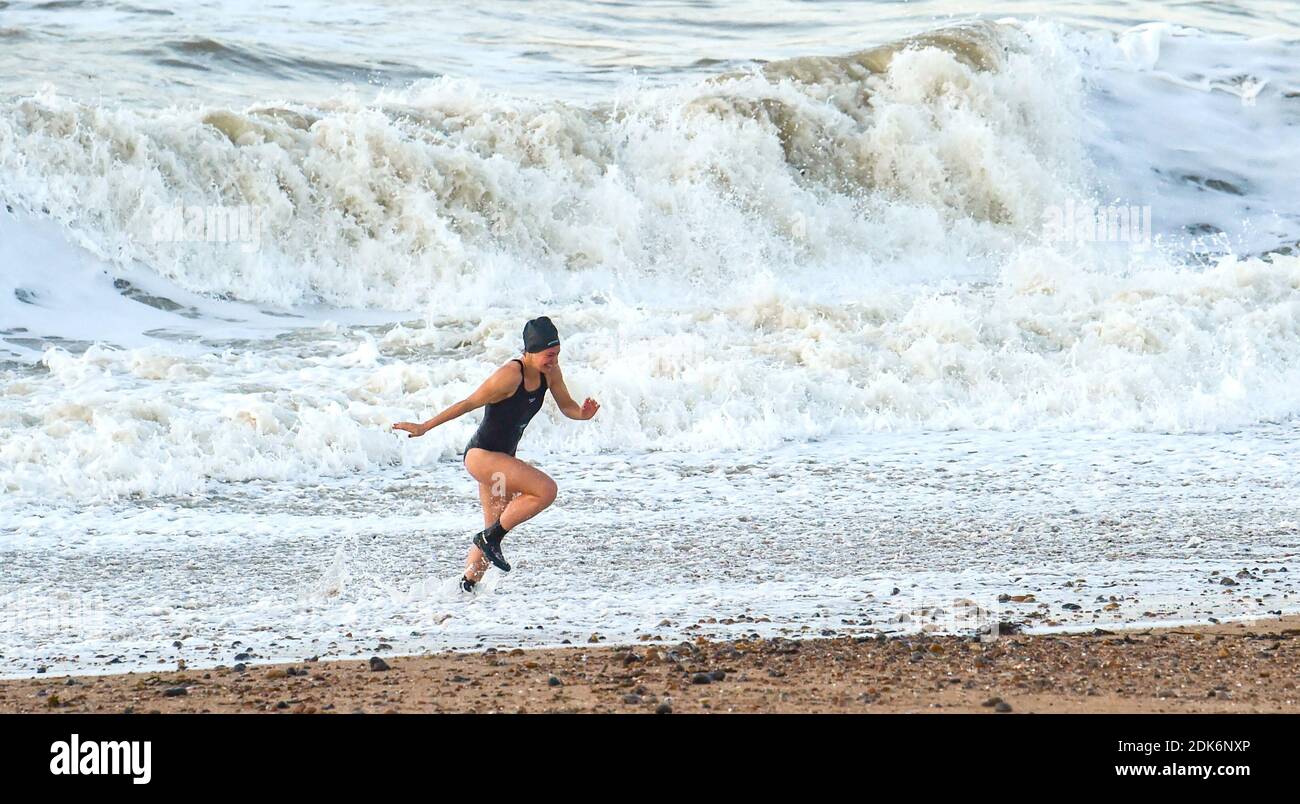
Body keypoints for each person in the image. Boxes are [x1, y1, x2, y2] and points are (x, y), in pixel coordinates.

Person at [392, 316, 599, 592]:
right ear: (531, 351)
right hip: (483, 457)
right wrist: (424, 427)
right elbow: (468, 403)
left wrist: (582, 415)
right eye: (550, 355)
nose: (554, 360)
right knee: (546, 490)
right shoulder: (510, 375)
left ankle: (464, 588)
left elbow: (567, 405)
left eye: (557, 354)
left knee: (493, 528)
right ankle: (489, 540)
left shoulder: (550, 372)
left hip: (500, 465)